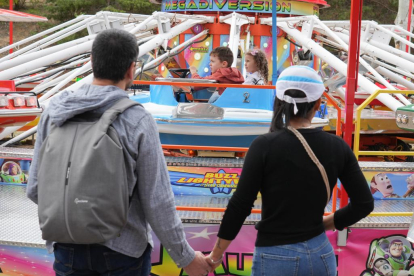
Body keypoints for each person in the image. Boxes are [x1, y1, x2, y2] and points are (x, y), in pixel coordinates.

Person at [27, 29, 211, 276]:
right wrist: (186, 258)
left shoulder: (55, 112)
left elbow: (36, 187)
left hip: (66, 247)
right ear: (131, 69)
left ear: (92, 62)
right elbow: (157, 202)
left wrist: (75, 215)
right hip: (123, 251)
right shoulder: (137, 119)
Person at [205, 65, 374, 275]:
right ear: (318, 104)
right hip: (321, 253)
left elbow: (240, 206)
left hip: (275, 255)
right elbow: (364, 204)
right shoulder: (337, 146)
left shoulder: (263, 146)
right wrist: (325, 224)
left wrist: (216, 255)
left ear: (278, 102)